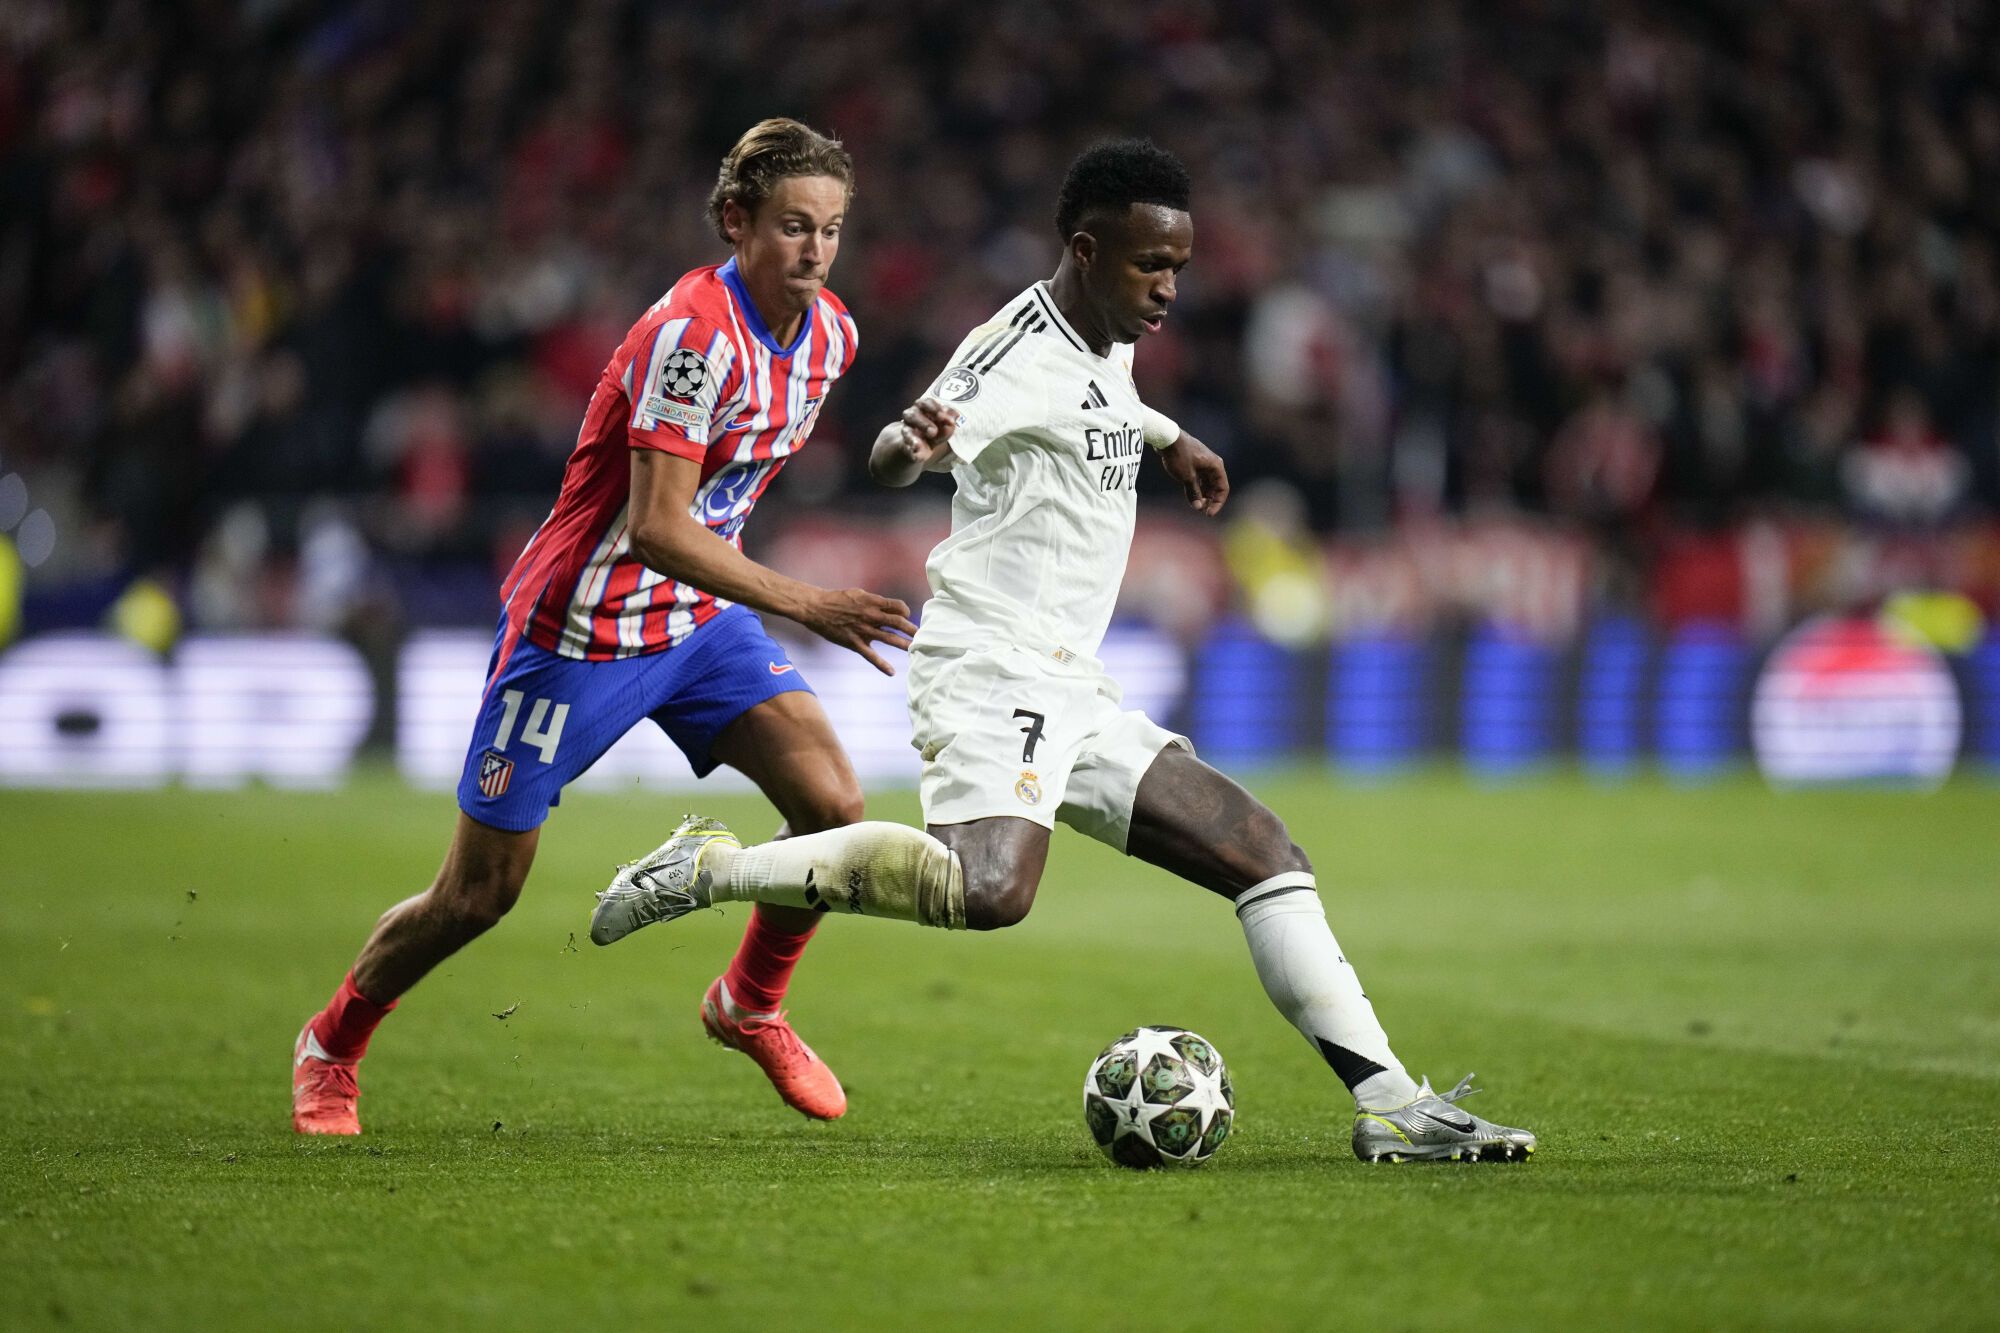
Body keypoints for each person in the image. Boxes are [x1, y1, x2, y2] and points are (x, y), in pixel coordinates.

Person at [592, 139, 1537, 1164]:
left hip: (1069, 680)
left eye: (1177, 266)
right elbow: (902, 447)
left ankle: (1391, 1103)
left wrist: (1165, 433)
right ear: (1084, 252)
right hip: (990, 667)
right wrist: (910, 445)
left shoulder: (1105, 332)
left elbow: (1100, 395)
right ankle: (717, 866)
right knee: (989, 890)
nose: (1168, 289)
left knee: (1264, 855)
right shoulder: (1007, 354)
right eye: (1149, 267)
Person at [292, 119, 913, 1134]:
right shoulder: (690, 339)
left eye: (832, 230)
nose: (814, 250)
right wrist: (806, 603)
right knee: (477, 896)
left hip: (699, 624)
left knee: (833, 809)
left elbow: (725, 500)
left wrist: (920, 438)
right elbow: (661, 528)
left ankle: (748, 1002)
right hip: (577, 631)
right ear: (735, 221)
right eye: (794, 226)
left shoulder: (832, 337)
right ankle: (334, 1038)